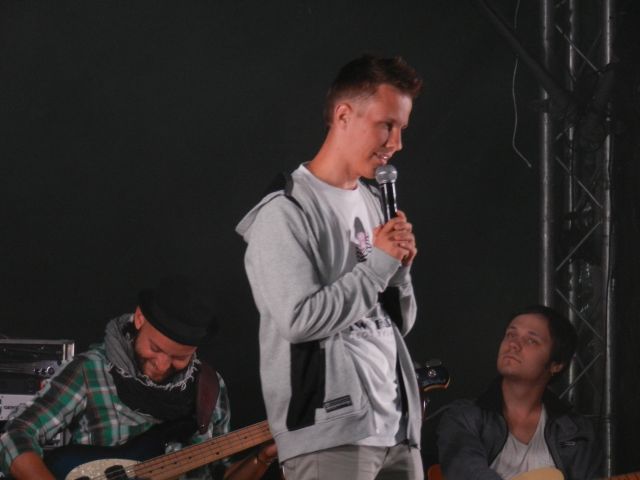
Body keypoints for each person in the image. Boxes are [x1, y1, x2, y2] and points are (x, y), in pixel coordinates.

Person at [236, 54, 424, 480]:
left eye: (402, 129)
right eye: (387, 125)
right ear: (343, 115)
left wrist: (400, 270)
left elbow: (398, 324)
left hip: (395, 429)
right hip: (330, 435)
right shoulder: (285, 213)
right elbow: (299, 320)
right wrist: (377, 266)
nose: (396, 143)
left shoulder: (375, 202)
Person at [0, 275, 277, 480]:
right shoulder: (90, 371)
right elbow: (16, 435)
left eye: (179, 357)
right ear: (140, 318)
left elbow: (221, 474)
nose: (162, 365)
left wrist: (261, 457)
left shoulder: (210, 387)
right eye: (155, 348)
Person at [436, 305, 602, 480]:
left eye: (531, 340)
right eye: (510, 335)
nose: (513, 344)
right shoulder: (463, 417)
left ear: (556, 364)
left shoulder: (576, 430)